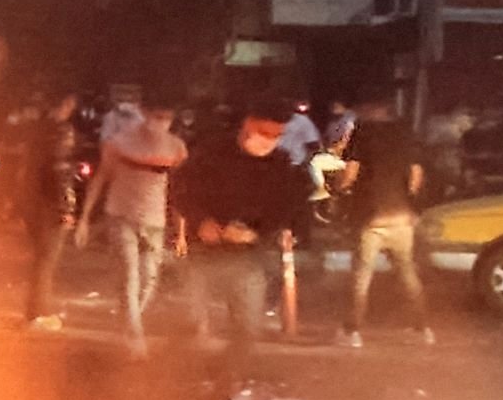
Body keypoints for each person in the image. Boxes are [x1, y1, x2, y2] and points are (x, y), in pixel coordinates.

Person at [172, 100, 311, 365]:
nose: (269, 140)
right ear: (249, 125)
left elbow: (286, 207)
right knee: (190, 325)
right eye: (265, 132)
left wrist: (257, 234)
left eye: (277, 135)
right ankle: (174, 380)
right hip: (203, 253)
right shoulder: (212, 152)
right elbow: (181, 190)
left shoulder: (279, 165)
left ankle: (230, 381)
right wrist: (202, 223)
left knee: (247, 329)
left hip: (248, 258)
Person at [78, 95, 190, 358]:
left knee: (149, 277)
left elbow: (180, 192)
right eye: (156, 117)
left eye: (166, 119)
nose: (159, 123)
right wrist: (84, 218)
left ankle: (128, 323)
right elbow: (101, 178)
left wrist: (182, 232)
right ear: (144, 112)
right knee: (130, 274)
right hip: (120, 214)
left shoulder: (176, 148)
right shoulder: (119, 143)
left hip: (155, 220)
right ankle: (135, 339)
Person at [337, 95, 432, 347]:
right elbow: (415, 175)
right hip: (401, 215)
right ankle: (422, 329)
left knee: (361, 275)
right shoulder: (405, 133)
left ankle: (352, 332)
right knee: (407, 271)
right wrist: (407, 201)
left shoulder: (362, 132)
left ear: (371, 108)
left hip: (371, 215)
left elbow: (350, 172)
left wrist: (340, 188)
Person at [20, 93, 82, 330]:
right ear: (66, 104)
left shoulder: (35, 128)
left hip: (32, 200)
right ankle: (38, 312)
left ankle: (34, 310)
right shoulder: (62, 132)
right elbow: (61, 170)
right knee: (47, 259)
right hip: (50, 204)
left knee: (40, 258)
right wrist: (66, 206)